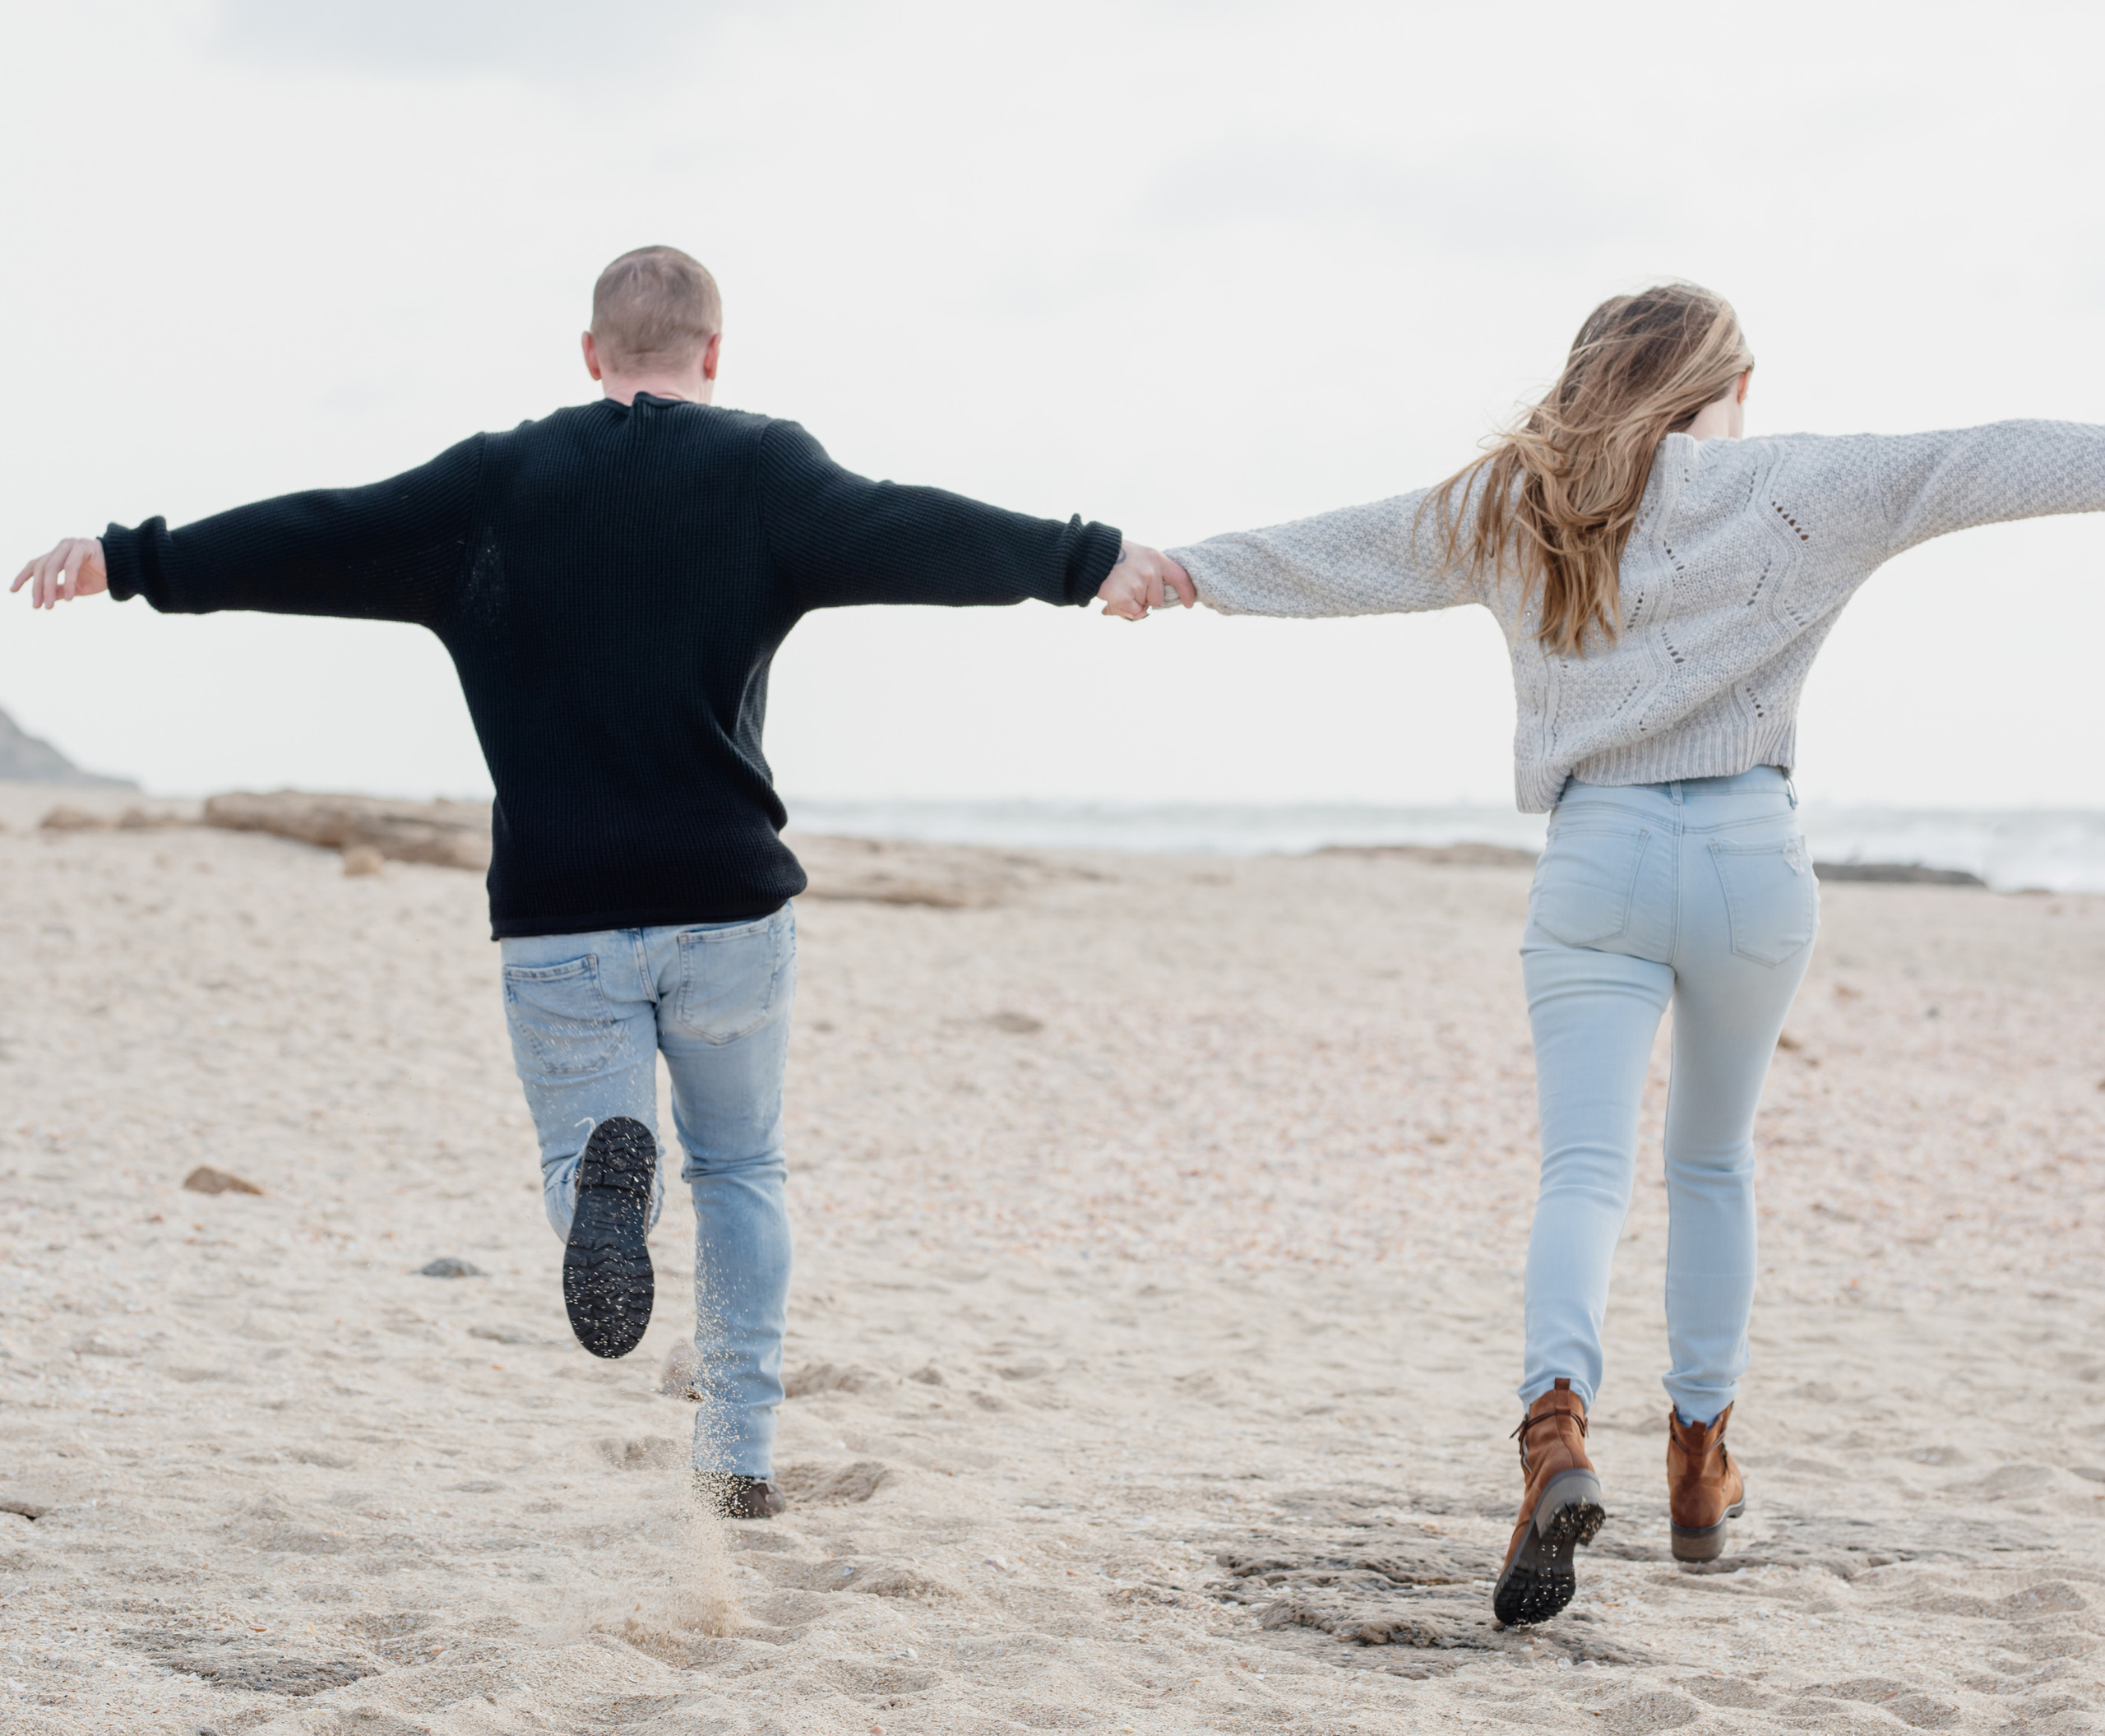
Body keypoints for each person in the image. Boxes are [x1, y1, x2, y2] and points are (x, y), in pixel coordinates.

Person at [12, 243, 1195, 1518]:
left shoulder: (497, 483)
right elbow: (917, 529)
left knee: (587, 1163)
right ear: (714, 353)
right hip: (728, 906)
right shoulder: (766, 470)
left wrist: (129, 559)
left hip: (560, 917)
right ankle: (736, 1456)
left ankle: (596, 1194)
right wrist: (1085, 557)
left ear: (590, 356)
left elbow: (320, 533)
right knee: (739, 1169)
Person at [1148, 282, 2105, 1623]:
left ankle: (1554, 1433)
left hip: (1596, 855)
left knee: (1584, 1169)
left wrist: (1192, 572)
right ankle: (1701, 1467)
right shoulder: (1797, 487)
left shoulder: (1519, 499)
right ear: (1730, 388)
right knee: (1710, 1162)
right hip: (1747, 861)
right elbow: (1992, 459)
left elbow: (1350, 551)